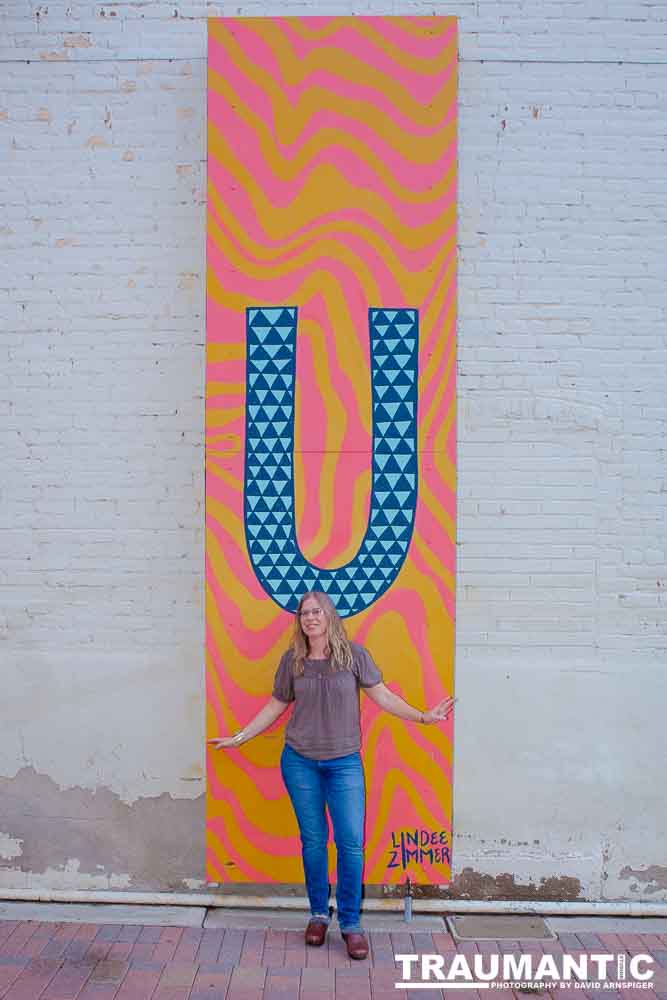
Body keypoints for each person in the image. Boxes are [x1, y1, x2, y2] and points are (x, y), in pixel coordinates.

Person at [209, 591, 454, 961]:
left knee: (351, 844)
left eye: (316, 611)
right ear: (300, 621)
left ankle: (352, 924)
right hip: (300, 762)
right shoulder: (293, 661)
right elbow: (276, 705)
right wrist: (241, 737)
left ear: (329, 617)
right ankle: (319, 914)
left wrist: (423, 716)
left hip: (344, 764)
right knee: (313, 842)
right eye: (304, 613)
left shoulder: (354, 657)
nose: (309, 618)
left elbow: (383, 696)